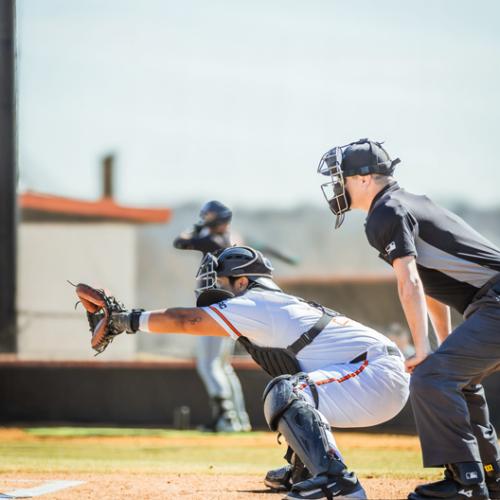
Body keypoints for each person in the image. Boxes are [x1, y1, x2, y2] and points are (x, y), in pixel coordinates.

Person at [87, 245, 410, 500]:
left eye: (223, 284)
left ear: (242, 281)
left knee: (287, 391)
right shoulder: (269, 306)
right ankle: (309, 471)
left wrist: (124, 320)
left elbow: (187, 320)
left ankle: (336, 481)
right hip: (373, 375)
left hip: (375, 373)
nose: (216, 296)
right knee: (295, 388)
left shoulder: (258, 302)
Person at [317, 138, 500, 500]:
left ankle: (465, 483)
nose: (338, 186)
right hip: (489, 304)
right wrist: (440, 344)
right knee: (455, 379)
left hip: (494, 303)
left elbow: (410, 283)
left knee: (431, 377)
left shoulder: (385, 212)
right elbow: (432, 285)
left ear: (366, 178)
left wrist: (421, 350)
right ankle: (490, 477)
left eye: (342, 178)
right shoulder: (406, 203)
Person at [173, 200, 251, 432]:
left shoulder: (212, 240)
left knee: (208, 365)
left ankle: (226, 419)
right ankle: (239, 418)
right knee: (223, 366)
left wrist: (195, 229)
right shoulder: (232, 237)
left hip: (215, 308)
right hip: (230, 307)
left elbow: (179, 242)